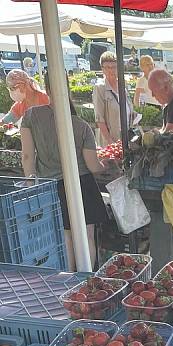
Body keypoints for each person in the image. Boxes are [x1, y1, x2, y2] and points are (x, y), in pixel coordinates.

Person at [21, 73, 108, 271]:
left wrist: (30, 184)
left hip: (51, 188)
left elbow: (27, 157)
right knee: (86, 237)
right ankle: (87, 281)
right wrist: (107, 165)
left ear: (47, 89)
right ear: (67, 89)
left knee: (65, 238)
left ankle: (69, 284)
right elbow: (93, 166)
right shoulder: (81, 125)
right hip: (82, 185)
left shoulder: (31, 116)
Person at [92, 51, 134, 146]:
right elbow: (99, 119)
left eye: (114, 67)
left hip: (126, 136)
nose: (111, 70)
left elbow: (129, 107)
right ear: (102, 69)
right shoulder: (100, 88)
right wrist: (110, 141)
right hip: (111, 139)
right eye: (107, 67)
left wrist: (133, 115)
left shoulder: (123, 85)